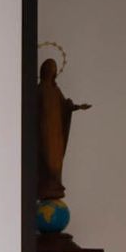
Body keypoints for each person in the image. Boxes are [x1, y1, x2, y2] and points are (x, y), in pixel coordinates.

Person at [36, 57, 91, 201]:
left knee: (56, 161)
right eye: (51, 70)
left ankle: (55, 186)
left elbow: (64, 106)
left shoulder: (56, 90)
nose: (53, 73)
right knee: (45, 159)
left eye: (54, 71)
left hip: (56, 135)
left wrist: (75, 107)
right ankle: (45, 186)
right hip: (44, 132)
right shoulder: (40, 90)